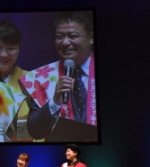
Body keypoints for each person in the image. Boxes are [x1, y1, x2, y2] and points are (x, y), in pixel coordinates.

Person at [20, 12, 96, 140]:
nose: (65, 43)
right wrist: (54, 101)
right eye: (60, 37)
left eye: (72, 36)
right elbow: (34, 131)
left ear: (91, 38)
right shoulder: (40, 78)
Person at [0, 21, 31, 141]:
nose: (4, 54)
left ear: (19, 47)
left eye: (11, 48)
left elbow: (39, 126)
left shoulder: (31, 80)